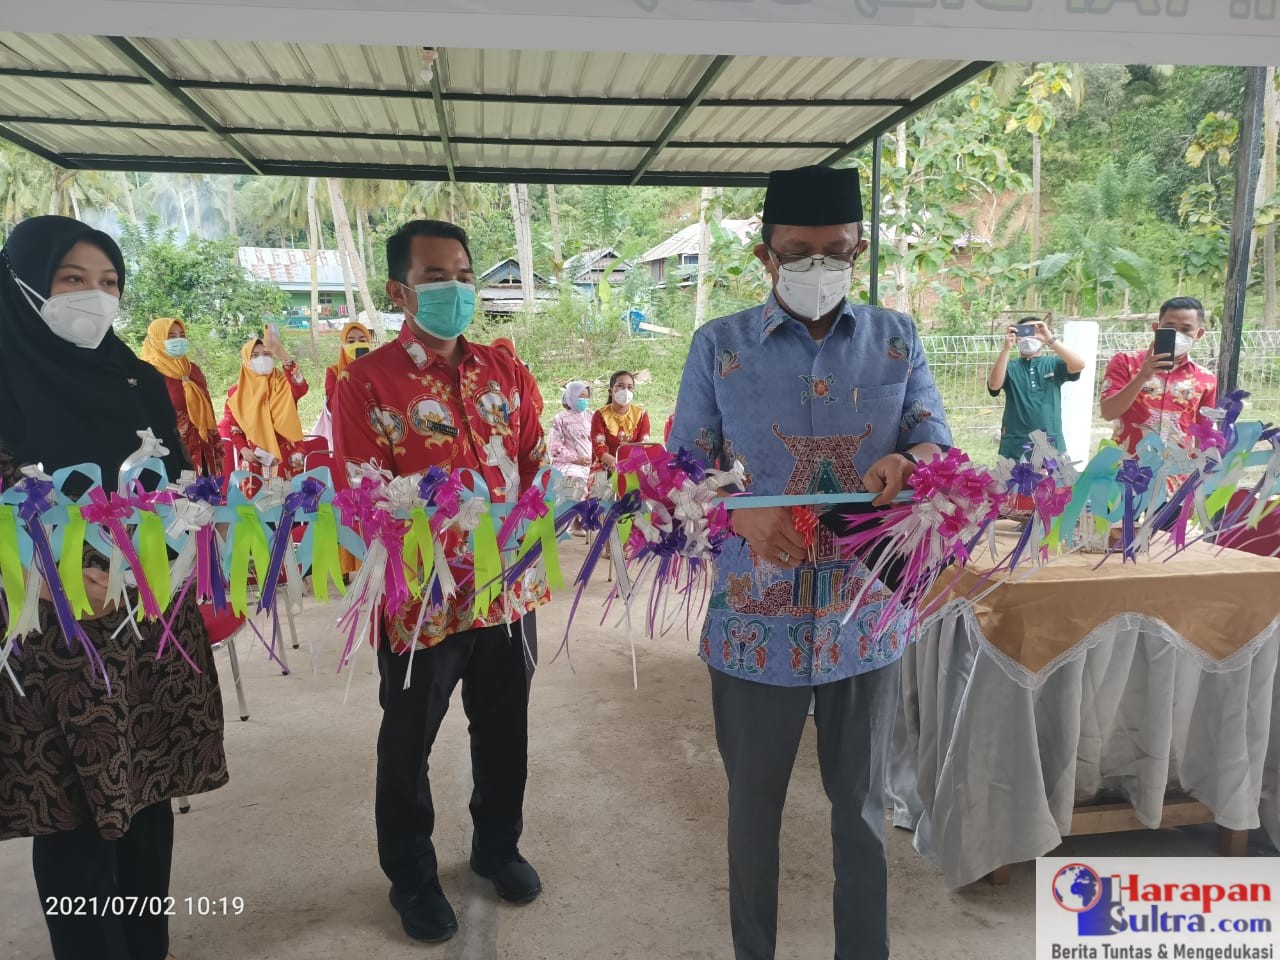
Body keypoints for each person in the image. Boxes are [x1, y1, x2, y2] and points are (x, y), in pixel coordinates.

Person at [668, 165, 951, 960]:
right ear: (766, 256)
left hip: (865, 620)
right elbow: (679, 471)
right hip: (755, 624)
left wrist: (914, 460)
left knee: (860, 810)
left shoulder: (896, 339)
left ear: (858, 249)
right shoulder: (719, 346)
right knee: (752, 811)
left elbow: (937, 437)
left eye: (837, 250)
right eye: (798, 252)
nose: (818, 266)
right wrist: (738, 511)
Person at [0, 215, 228, 960]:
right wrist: (53, 572)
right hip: (56, 634)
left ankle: (146, 946)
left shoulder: (137, 380)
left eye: (108, 283)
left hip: (148, 618)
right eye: (72, 280)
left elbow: (175, 483)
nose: (93, 297)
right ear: (23, 283)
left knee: (149, 793)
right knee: (77, 815)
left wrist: (176, 547)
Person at [333, 219, 548, 944]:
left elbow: (534, 460)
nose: (454, 289)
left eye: (462, 275)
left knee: (506, 729)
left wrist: (538, 509)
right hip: (420, 598)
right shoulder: (366, 382)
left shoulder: (506, 372)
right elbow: (361, 491)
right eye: (434, 277)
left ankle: (497, 847)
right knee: (407, 741)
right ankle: (412, 876)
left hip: (507, 591)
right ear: (399, 290)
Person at [1099, 296, 1218, 456]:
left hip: (1178, 468)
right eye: (1170, 328)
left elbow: (1203, 432)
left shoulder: (1206, 379)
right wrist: (1142, 377)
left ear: (1199, 334)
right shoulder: (1125, 363)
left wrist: (1202, 468)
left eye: (1185, 329)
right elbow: (1108, 412)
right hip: (1128, 465)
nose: (1177, 335)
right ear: (1156, 328)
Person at [986, 315, 1085, 461]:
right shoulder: (1010, 367)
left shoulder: (1053, 364)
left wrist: (1050, 339)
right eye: (1024, 331)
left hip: (1050, 441)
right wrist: (1006, 349)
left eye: (1034, 331)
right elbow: (994, 385)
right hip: (1015, 443)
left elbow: (1079, 365)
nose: (1029, 336)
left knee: (1053, 476)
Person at [218, 330, 309, 486]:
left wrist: (283, 355)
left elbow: (301, 387)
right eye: (255, 356)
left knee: (291, 497)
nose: (262, 359)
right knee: (257, 498)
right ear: (246, 361)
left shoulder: (284, 384)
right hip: (255, 456)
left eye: (267, 354)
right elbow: (234, 428)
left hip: (288, 455)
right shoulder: (236, 393)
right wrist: (243, 449)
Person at [138, 317, 223, 477]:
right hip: (172, 452)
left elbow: (208, 409)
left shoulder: (192, 370)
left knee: (205, 491)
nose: (179, 340)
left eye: (182, 335)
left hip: (203, 448)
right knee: (180, 492)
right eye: (171, 336)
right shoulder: (147, 373)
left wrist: (215, 445)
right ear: (157, 340)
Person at [591, 370, 651, 470]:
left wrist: (630, 466)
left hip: (633, 466)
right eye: (620, 386)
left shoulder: (641, 415)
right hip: (606, 466)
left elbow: (643, 445)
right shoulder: (600, 415)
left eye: (630, 387)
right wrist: (615, 464)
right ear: (611, 391)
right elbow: (599, 447)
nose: (626, 391)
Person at [549, 380, 593, 496]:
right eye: (581, 396)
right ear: (571, 396)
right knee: (575, 485)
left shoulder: (591, 416)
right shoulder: (560, 418)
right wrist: (576, 459)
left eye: (586, 397)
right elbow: (555, 447)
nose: (584, 400)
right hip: (568, 464)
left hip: (590, 464)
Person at [324, 320, 373, 410]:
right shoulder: (333, 371)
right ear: (343, 345)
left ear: (369, 343)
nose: (357, 344)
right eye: (351, 341)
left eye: (362, 340)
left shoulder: (376, 369)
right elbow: (332, 406)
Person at [492, 336, 543, 417]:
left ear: (513, 357)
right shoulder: (484, 378)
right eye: (498, 355)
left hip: (521, 421)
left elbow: (537, 405)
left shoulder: (526, 378)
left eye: (507, 355)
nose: (503, 359)